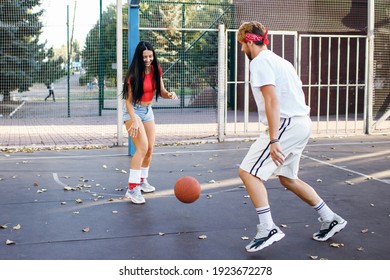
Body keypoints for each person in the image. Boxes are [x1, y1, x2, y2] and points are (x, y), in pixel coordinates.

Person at [237, 21, 347, 252]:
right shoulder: (281, 61)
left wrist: (274, 139)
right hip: (301, 123)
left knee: (248, 172)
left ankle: (268, 228)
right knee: (288, 178)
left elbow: (271, 100)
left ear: (249, 41)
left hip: (285, 125)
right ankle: (330, 218)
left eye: (241, 45)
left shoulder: (260, 62)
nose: (241, 50)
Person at [122, 41, 177, 204]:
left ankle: (142, 181)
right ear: (140, 57)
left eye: (150, 56)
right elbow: (128, 102)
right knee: (142, 148)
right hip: (133, 111)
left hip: (148, 111)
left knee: (150, 149)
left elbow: (161, 91)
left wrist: (169, 95)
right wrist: (134, 119)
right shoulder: (133, 74)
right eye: (144, 57)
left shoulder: (156, 70)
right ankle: (132, 189)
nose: (148, 59)